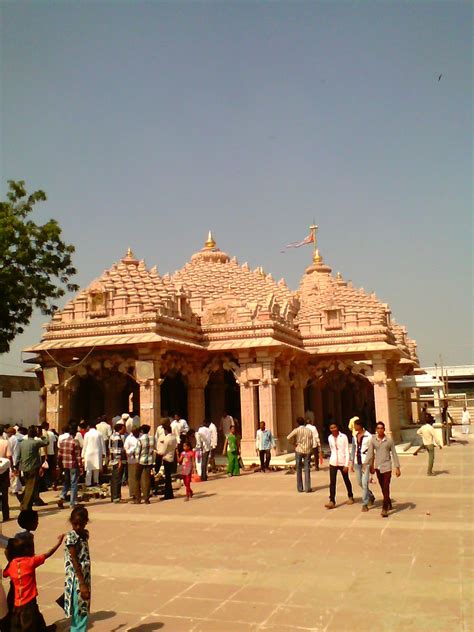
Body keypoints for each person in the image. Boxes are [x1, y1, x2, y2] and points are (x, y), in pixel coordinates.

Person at [4, 533, 64, 631]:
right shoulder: (30, 562)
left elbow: (5, 574)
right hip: (28, 603)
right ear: (26, 551)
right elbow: (48, 554)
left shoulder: (12, 565)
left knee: (35, 616)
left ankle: (43, 629)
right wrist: (59, 543)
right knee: (28, 625)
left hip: (17, 603)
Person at [364, 421, 401, 518]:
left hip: (387, 467)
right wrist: (366, 464)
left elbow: (394, 454)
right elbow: (370, 453)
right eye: (378, 428)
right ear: (376, 430)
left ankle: (384, 509)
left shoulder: (389, 441)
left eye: (382, 428)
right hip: (378, 467)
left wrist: (397, 467)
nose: (380, 430)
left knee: (386, 486)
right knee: (382, 488)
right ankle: (388, 501)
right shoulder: (373, 440)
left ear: (384, 429)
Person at [63, 506, 91, 631]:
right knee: (81, 611)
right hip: (78, 580)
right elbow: (74, 561)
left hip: (84, 577)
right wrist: (82, 583)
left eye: (81, 524)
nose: (78, 527)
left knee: (82, 609)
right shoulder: (71, 537)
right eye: (75, 524)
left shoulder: (82, 535)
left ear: (86, 522)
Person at [18, 426, 49, 511]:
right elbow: (46, 442)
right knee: (30, 488)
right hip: (33, 468)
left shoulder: (22, 443)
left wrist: (17, 467)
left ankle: (26, 502)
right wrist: (41, 436)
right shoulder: (36, 443)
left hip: (24, 468)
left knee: (28, 486)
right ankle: (25, 505)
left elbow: (18, 456)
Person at [325, 423, 354, 509]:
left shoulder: (343, 437)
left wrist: (346, 464)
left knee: (346, 480)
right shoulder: (330, 438)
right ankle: (332, 500)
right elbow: (332, 449)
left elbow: (346, 450)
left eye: (334, 427)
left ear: (337, 428)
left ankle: (350, 495)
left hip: (342, 462)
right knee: (332, 482)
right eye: (331, 428)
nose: (333, 429)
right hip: (333, 462)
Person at [349, 419, 375, 512]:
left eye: (355, 425)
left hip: (365, 462)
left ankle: (365, 503)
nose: (354, 427)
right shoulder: (355, 436)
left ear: (360, 426)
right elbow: (353, 449)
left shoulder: (369, 436)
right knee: (359, 482)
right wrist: (351, 462)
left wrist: (371, 464)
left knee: (364, 483)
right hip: (357, 462)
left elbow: (371, 451)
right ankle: (370, 495)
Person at [57, 425, 83, 509]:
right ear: (75, 434)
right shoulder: (75, 442)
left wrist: (59, 465)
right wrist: (81, 466)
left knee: (67, 481)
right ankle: (72, 503)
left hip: (65, 464)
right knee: (74, 483)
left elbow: (59, 455)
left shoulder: (63, 442)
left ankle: (62, 496)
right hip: (73, 464)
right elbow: (78, 456)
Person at [287, 418, 313, 493]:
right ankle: (308, 488)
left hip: (299, 450)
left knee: (299, 469)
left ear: (297, 423)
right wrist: (310, 448)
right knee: (307, 468)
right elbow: (311, 441)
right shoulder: (309, 430)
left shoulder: (297, 430)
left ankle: (300, 488)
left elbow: (288, 437)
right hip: (307, 450)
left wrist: (293, 444)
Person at [134, 425, 155, 504]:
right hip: (149, 460)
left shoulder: (140, 440)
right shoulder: (152, 438)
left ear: (142, 431)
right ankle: (146, 498)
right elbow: (153, 449)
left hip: (141, 460)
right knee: (147, 479)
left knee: (136, 479)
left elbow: (137, 452)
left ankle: (138, 498)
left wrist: (136, 460)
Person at [81, 421, 105, 487]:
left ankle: (88, 483)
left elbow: (84, 445)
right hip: (97, 452)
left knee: (89, 468)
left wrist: (82, 455)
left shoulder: (87, 434)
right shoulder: (99, 433)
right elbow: (102, 444)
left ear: (89, 427)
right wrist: (104, 453)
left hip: (88, 452)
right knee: (96, 468)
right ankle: (96, 481)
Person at [108, 422, 126, 503]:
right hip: (116, 461)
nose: (124, 430)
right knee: (117, 479)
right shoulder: (117, 438)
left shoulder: (113, 436)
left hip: (113, 460)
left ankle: (114, 496)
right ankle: (116, 497)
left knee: (114, 479)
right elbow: (116, 451)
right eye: (123, 428)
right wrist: (119, 461)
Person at [161, 426, 178, 500]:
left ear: (166, 430)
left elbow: (163, 451)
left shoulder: (166, 439)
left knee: (167, 478)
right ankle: (170, 493)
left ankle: (168, 494)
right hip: (172, 457)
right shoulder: (174, 437)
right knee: (169, 477)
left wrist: (156, 452)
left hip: (166, 458)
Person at [124, 427, 140, 502]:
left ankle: (140, 492)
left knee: (140, 477)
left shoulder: (141, 437)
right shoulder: (129, 439)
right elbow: (126, 449)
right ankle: (133, 493)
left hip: (140, 460)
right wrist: (132, 450)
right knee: (132, 477)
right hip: (132, 460)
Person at [41, 422, 57, 490]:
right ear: (47, 426)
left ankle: (45, 484)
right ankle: (49, 482)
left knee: (44, 469)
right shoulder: (51, 433)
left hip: (43, 454)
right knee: (49, 469)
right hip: (50, 453)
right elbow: (54, 444)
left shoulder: (41, 433)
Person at [0, 428, 12, 522]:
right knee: (4, 494)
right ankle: (5, 515)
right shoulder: (5, 442)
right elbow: (9, 457)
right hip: (3, 470)